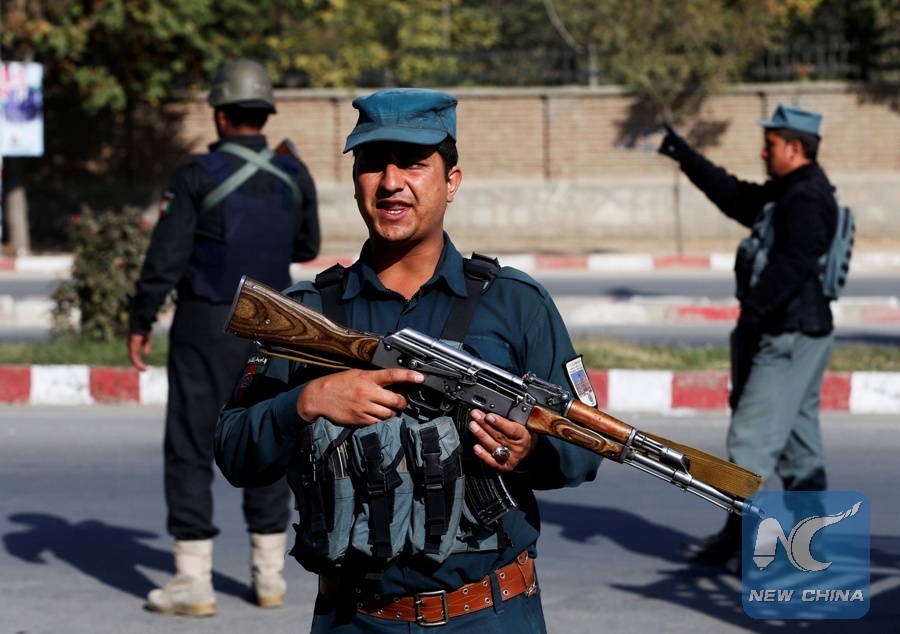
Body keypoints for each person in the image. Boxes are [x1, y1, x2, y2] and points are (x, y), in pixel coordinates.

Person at [215, 87, 602, 632]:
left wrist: (529, 449)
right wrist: (308, 400)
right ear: (356, 179)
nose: (391, 182)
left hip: (488, 615)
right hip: (354, 619)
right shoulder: (309, 312)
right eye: (373, 164)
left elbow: (586, 450)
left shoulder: (515, 303)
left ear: (452, 181)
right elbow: (233, 451)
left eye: (415, 164)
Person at [127, 59, 320, 616]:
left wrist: (141, 318)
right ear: (265, 113)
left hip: (205, 322)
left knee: (190, 441)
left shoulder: (196, 173)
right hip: (273, 324)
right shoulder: (293, 172)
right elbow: (307, 245)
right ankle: (268, 575)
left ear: (219, 114)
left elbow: (167, 255)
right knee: (268, 432)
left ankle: (193, 580)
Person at [658, 104, 838, 569]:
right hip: (799, 332)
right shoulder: (791, 190)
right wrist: (686, 156)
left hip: (788, 335)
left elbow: (796, 261)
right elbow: (736, 197)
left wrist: (754, 312)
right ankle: (811, 546)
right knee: (799, 450)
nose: (763, 151)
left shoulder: (807, 197)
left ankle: (747, 544)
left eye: (770, 144)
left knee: (747, 444)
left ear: (794, 147)